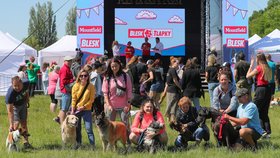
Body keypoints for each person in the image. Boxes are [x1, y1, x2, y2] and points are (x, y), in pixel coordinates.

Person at [246, 53, 272, 137]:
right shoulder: (267, 67)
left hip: (260, 90)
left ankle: (261, 130)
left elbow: (248, 76)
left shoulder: (259, 67)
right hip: (268, 89)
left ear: (258, 59)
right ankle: (267, 131)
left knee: (254, 109)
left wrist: (251, 65)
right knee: (264, 112)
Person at [102, 57, 132, 128]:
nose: (114, 68)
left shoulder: (125, 76)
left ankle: (127, 139)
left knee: (125, 125)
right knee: (110, 126)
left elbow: (129, 90)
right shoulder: (107, 77)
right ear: (110, 67)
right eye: (112, 66)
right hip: (111, 105)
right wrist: (108, 105)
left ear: (119, 66)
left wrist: (128, 104)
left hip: (124, 105)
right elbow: (105, 93)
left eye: (116, 66)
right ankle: (112, 139)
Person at [71, 69, 96, 149]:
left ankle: (92, 146)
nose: (83, 77)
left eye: (85, 75)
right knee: (77, 129)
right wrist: (72, 110)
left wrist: (84, 106)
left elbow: (92, 99)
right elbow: (74, 99)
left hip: (87, 110)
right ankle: (79, 145)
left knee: (89, 129)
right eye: (81, 76)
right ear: (79, 77)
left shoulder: (91, 86)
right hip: (77, 110)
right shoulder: (75, 86)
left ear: (88, 77)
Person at [5, 76, 32, 149]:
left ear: (21, 83)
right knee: (15, 125)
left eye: (18, 85)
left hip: (23, 104)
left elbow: (26, 91)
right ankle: (11, 143)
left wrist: (27, 99)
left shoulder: (26, 83)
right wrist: (11, 124)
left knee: (24, 124)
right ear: (12, 85)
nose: (17, 87)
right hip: (14, 107)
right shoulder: (10, 95)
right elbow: (10, 111)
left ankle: (26, 143)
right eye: (15, 86)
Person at [159, 57, 182, 122]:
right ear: (173, 63)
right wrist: (180, 87)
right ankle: (171, 118)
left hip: (169, 90)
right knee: (174, 106)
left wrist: (165, 91)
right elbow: (175, 80)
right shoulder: (173, 70)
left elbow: (167, 82)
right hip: (174, 90)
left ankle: (168, 117)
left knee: (170, 104)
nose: (178, 65)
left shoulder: (169, 70)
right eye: (177, 63)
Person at [58, 56, 75, 123]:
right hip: (66, 91)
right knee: (64, 109)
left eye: (70, 60)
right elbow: (63, 81)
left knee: (65, 108)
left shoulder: (67, 68)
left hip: (67, 91)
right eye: (67, 61)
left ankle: (62, 122)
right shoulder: (64, 69)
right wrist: (72, 80)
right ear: (64, 61)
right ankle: (62, 124)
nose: (69, 62)